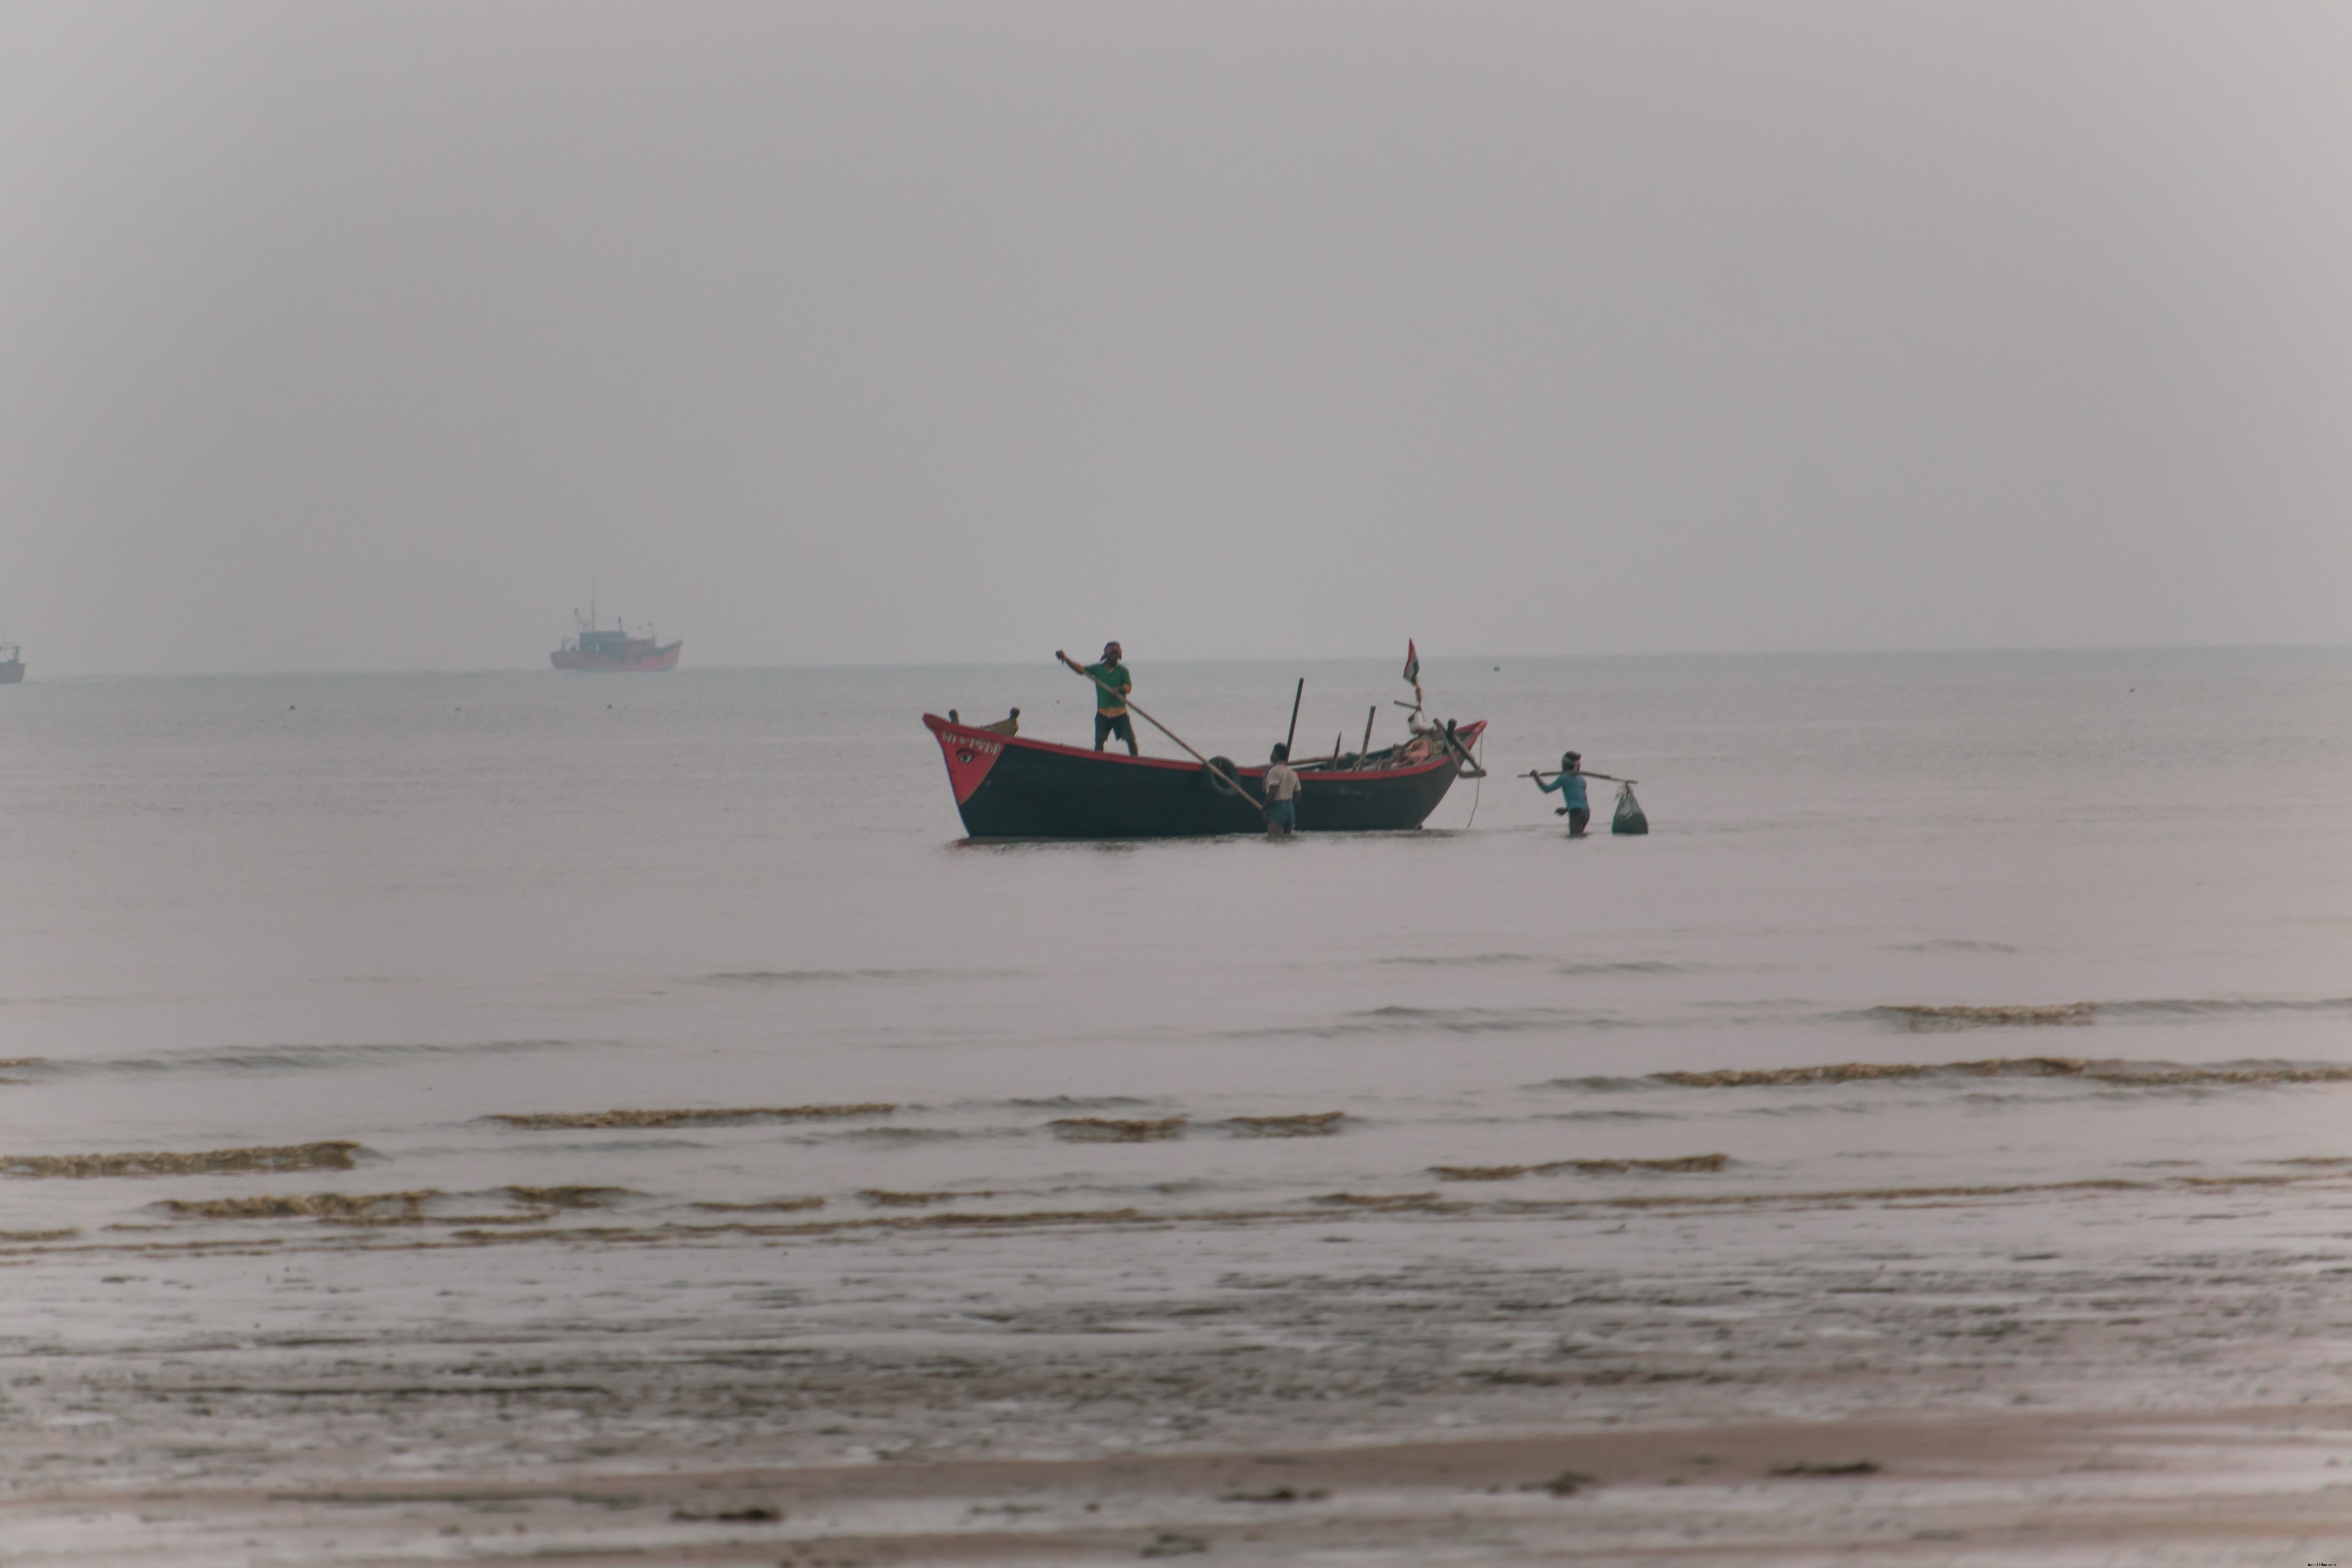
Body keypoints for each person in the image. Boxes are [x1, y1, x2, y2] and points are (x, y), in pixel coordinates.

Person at [1084, 641, 1136, 755]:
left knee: (1131, 740)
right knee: (1099, 741)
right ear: (1106, 655)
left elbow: (1128, 688)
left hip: (1120, 713)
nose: (1115, 656)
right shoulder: (1097, 669)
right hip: (1103, 712)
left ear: (1120, 655)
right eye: (1112, 653)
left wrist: (1119, 689)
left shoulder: (1123, 671)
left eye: (1117, 654)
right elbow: (1080, 669)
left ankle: (1136, 763)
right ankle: (1098, 763)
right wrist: (1066, 659)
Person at [1534, 750, 1592, 836]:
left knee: (1574, 838)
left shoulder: (1564, 778)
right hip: (1586, 812)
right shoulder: (1581, 778)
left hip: (1576, 812)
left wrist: (1536, 777)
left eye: (1563, 762)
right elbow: (1579, 799)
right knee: (1579, 837)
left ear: (1565, 764)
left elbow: (1547, 789)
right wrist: (1566, 810)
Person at [1263, 742, 1302, 838]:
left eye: (1273, 752)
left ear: (1276, 755)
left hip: (1277, 807)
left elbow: (1272, 794)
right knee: (1287, 842)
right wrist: (1289, 806)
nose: (1271, 755)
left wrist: (1264, 809)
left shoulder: (1274, 771)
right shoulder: (1292, 773)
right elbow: (1298, 795)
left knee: (1274, 841)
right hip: (1290, 808)